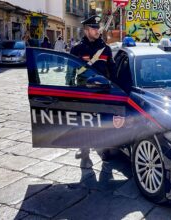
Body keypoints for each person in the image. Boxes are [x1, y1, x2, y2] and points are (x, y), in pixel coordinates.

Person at [68, 15, 116, 160]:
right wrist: (69, 91)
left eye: (97, 28)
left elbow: (112, 71)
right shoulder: (77, 49)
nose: (97, 30)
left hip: (102, 92)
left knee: (104, 121)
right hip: (83, 91)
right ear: (86, 30)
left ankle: (105, 148)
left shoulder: (105, 49)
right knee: (83, 122)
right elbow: (70, 73)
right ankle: (84, 149)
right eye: (94, 28)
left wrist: (115, 89)